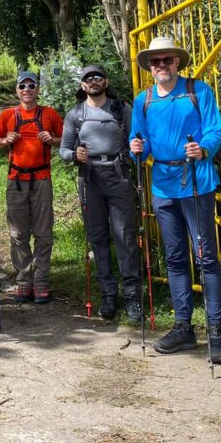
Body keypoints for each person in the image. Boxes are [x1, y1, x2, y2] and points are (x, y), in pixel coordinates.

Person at [129, 36, 221, 364]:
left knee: (206, 258)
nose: (161, 66)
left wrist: (203, 148)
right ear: (149, 67)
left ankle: (216, 332)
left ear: (177, 63)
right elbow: (138, 138)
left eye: (167, 60)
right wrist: (136, 148)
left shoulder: (198, 91)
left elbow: (216, 129)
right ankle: (184, 327)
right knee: (174, 258)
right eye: (156, 62)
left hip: (198, 182)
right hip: (162, 186)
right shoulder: (143, 100)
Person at [59, 64, 142, 324]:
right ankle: (108, 296)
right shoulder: (75, 114)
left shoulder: (121, 108)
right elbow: (63, 150)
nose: (93, 81)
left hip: (118, 175)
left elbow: (137, 140)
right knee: (98, 237)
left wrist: (136, 149)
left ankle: (132, 298)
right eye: (88, 78)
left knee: (125, 237)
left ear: (105, 81)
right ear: (82, 86)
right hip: (90, 177)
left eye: (97, 77)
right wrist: (75, 155)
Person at [0, 71, 63, 304]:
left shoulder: (49, 114)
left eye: (32, 85)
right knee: (18, 233)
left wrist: (52, 139)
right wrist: (5, 140)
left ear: (38, 89)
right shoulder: (8, 115)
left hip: (42, 179)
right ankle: (23, 280)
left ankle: (41, 281)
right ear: (17, 90)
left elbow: (68, 138)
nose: (27, 90)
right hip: (16, 180)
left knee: (43, 232)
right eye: (22, 86)